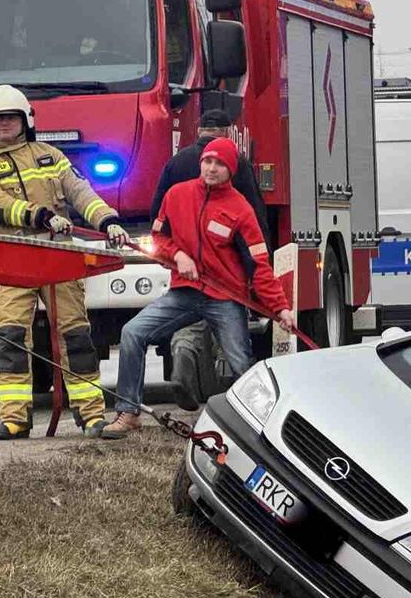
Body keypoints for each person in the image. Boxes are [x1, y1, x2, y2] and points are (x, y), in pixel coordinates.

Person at [101, 138, 293, 438]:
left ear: (231, 171)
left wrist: (280, 307)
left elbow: (259, 264)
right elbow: (159, 240)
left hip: (225, 299)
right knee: (132, 333)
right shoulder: (176, 195)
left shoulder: (241, 209)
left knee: (241, 362)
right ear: (200, 163)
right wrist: (177, 255)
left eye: (220, 164)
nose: (212, 168)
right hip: (183, 292)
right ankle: (128, 413)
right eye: (208, 161)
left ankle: (263, 425)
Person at [0, 84, 129, 440]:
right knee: (11, 337)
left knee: (75, 335)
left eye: (10, 118)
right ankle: (15, 418)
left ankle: (91, 417)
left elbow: (81, 191)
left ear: (25, 120)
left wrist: (108, 221)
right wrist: (39, 216)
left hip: (58, 255)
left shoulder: (51, 156)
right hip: (11, 259)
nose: (3, 126)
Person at [150, 109, 271, 410]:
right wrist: (257, 272)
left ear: (199, 128)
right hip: (226, 271)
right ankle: (241, 401)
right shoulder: (235, 163)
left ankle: (182, 361)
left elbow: (157, 214)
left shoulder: (176, 163)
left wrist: (172, 253)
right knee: (232, 337)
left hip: (185, 268)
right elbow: (254, 215)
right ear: (227, 132)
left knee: (188, 322)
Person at [150, 109, 269, 244]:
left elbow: (157, 210)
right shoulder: (239, 162)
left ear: (199, 131)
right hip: (224, 249)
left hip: (184, 250)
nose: (211, 169)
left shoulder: (176, 162)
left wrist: (171, 250)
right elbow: (255, 210)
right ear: (227, 133)